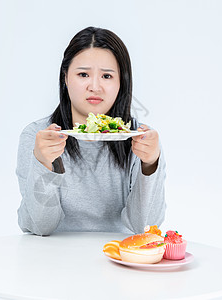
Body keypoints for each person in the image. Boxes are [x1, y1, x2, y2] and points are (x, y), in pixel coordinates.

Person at [16, 26, 166, 236]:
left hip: (117, 257)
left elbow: (145, 227)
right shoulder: (37, 136)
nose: (95, 86)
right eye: (83, 74)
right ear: (66, 78)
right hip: (51, 260)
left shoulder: (139, 139)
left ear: (121, 82)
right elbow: (40, 226)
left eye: (107, 76)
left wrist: (150, 164)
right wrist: (44, 163)